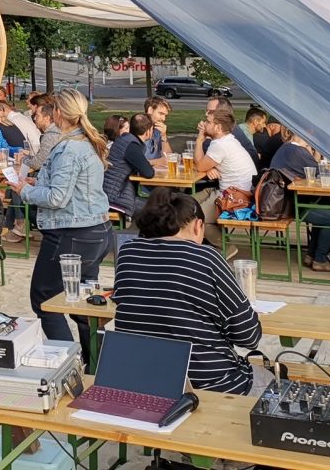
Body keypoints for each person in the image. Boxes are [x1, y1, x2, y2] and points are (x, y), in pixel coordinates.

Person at [112, 189, 264, 393]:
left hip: (141, 379)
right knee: (273, 382)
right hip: (210, 385)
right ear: (198, 225)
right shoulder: (206, 258)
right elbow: (249, 336)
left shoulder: (128, 252)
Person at [10, 91, 111, 348]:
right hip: (97, 230)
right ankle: (94, 362)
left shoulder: (69, 148)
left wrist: (25, 191)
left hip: (72, 233)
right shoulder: (86, 141)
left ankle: (69, 359)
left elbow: (57, 198)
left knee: (44, 299)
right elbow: (72, 186)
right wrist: (37, 182)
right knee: (85, 305)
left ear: (58, 112)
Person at [268, 128, 330, 271]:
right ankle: (321, 260)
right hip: (292, 205)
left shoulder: (286, 148)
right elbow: (324, 173)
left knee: (326, 212)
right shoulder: (297, 151)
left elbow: (313, 168)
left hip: (284, 202)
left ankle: (311, 255)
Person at [194, 108, 258, 249]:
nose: (204, 123)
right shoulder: (228, 140)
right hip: (236, 191)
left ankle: (227, 248)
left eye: (208, 122)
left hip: (234, 198)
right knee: (186, 202)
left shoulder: (220, 145)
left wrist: (199, 140)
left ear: (218, 127)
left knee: (196, 218)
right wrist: (210, 168)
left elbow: (199, 166)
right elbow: (205, 165)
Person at [103, 112, 156, 217]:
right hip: (113, 197)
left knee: (159, 205)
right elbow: (148, 173)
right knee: (158, 210)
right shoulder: (131, 145)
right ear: (148, 131)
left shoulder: (127, 140)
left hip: (111, 192)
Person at [206, 95, 261, 167]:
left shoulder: (228, 131)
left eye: (210, 111)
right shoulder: (228, 127)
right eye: (206, 110)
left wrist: (203, 136)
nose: (206, 114)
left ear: (223, 112)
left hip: (245, 171)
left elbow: (207, 156)